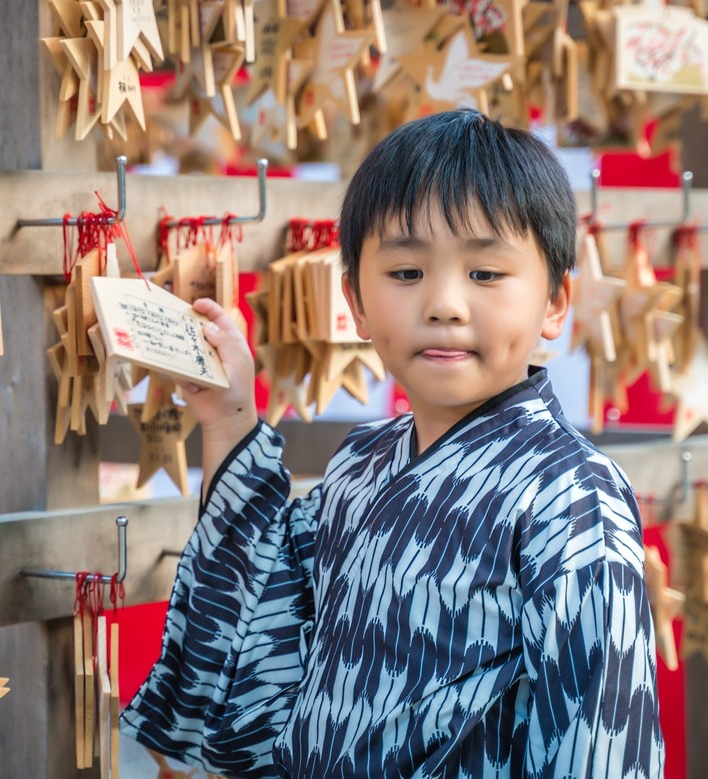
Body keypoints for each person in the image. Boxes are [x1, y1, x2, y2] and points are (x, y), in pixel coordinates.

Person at [121, 110, 664, 778]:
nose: (444, 303)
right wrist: (231, 418)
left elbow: (601, 745)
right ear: (355, 299)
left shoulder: (572, 494)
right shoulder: (360, 464)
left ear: (555, 301)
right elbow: (268, 610)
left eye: (486, 273)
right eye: (406, 272)